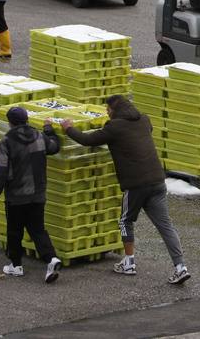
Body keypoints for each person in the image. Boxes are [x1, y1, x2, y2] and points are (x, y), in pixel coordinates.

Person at [60, 95, 191, 285]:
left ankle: (129, 262)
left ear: (116, 110)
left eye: (108, 109)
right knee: (165, 226)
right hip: (157, 181)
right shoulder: (144, 120)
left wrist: (68, 128)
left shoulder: (114, 128)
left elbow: (88, 140)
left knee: (125, 220)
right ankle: (180, 267)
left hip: (136, 184)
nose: (107, 112)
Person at [0, 106, 63, 283]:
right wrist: (49, 130)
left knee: (15, 230)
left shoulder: (6, 142)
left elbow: (1, 170)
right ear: (27, 119)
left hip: (16, 195)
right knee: (37, 229)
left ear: (10, 122)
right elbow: (54, 147)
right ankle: (51, 259)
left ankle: (16, 265)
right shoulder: (39, 136)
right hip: (38, 193)